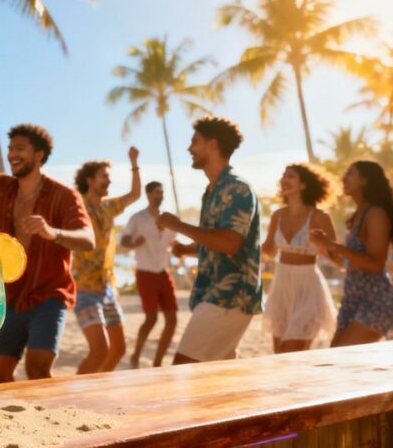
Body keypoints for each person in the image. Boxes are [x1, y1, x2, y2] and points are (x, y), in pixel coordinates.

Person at [0, 110, 94, 383]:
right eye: (10, 148)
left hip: (49, 295)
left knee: (38, 368)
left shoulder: (64, 195)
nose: (12, 154)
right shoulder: (4, 188)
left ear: (39, 154)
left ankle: (49, 422)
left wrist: (54, 232)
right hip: (11, 296)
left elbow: (89, 239)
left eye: (20, 148)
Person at [157, 116, 261, 364]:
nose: (189, 148)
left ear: (212, 145)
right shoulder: (212, 191)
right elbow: (216, 242)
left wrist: (177, 225)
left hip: (229, 297)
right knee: (220, 384)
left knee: (185, 368)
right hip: (215, 296)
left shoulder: (237, 188)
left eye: (195, 141)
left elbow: (230, 242)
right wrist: (186, 249)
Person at [311, 161, 393, 346]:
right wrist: (325, 250)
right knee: (335, 356)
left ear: (364, 180)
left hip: (375, 300)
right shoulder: (359, 214)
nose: (344, 178)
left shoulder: (376, 214)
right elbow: (349, 264)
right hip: (354, 298)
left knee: (339, 358)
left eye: (350, 174)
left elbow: (375, 265)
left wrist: (332, 244)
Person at [71, 148, 142, 374]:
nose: (108, 179)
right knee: (99, 350)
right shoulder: (77, 206)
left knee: (119, 349)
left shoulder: (109, 206)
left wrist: (134, 163)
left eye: (109, 176)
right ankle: (71, 394)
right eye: (103, 175)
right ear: (89, 179)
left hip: (107, 288)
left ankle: (96, 385)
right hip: (83, 289)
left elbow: (135, 194)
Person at [260, 164, 338, 353]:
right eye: (283, 176)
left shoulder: (320, 217)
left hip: (308, 287)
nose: (284, 180)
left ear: (304, 185)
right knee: (279, 353)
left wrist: (323, 245)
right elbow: (269, 251)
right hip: (282, 284)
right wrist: (249, 247)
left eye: (291, 176)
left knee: (292, 351)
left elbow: (337, 256)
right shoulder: (277, 215)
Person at [120, 181, 178, 368]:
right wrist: (134, 244)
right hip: (145, 272)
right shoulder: (137, 218)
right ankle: (136, 354)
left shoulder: (169, 220)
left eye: (162, 192)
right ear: (148, 194)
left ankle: (158, 362)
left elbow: (175, 244)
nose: (159, 196)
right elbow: (124, 240)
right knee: (151, 318)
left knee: (172, 319)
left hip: (163, 272)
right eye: (156, 193)